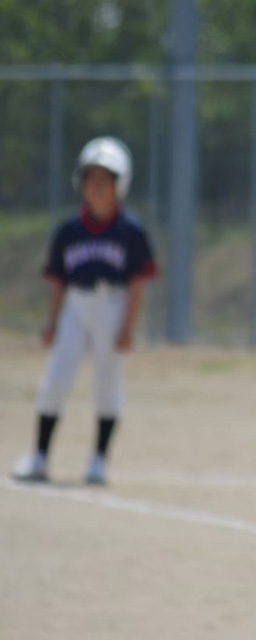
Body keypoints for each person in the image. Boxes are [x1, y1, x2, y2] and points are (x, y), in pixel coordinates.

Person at [11, 136, 158, 485]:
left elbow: (138, 283)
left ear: (121, 184)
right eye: (91, 179)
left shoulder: (130, 231)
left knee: (108, 383)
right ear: (81, 182)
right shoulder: (70, 230)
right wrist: (52, 322)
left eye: (106, 180)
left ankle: (98, 460)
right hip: (76, 306)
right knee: (56, 379)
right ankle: (40, 456)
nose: (97, 187)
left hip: (113, 305)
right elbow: (58, 281)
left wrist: (128, 327)